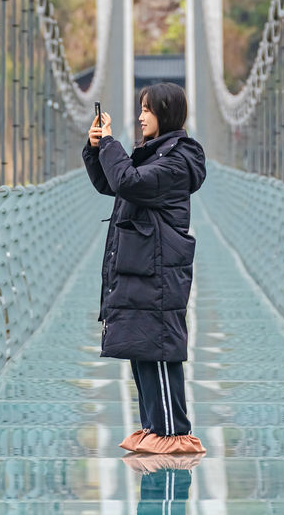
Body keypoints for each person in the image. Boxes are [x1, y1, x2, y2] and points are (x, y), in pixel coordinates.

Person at [82, 82, 206, 455]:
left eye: (147, 110)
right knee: (142, 348)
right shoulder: (153, 154)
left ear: (165, 113)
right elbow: (111, 184)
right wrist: (94, 149)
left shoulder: (177, 161)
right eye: (141, 109)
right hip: (141, 265)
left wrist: (110, 144)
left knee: (160, 350)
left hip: (159, 269)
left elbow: (128, 181)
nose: (140, 117)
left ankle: (173, 433)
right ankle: (154, 427)